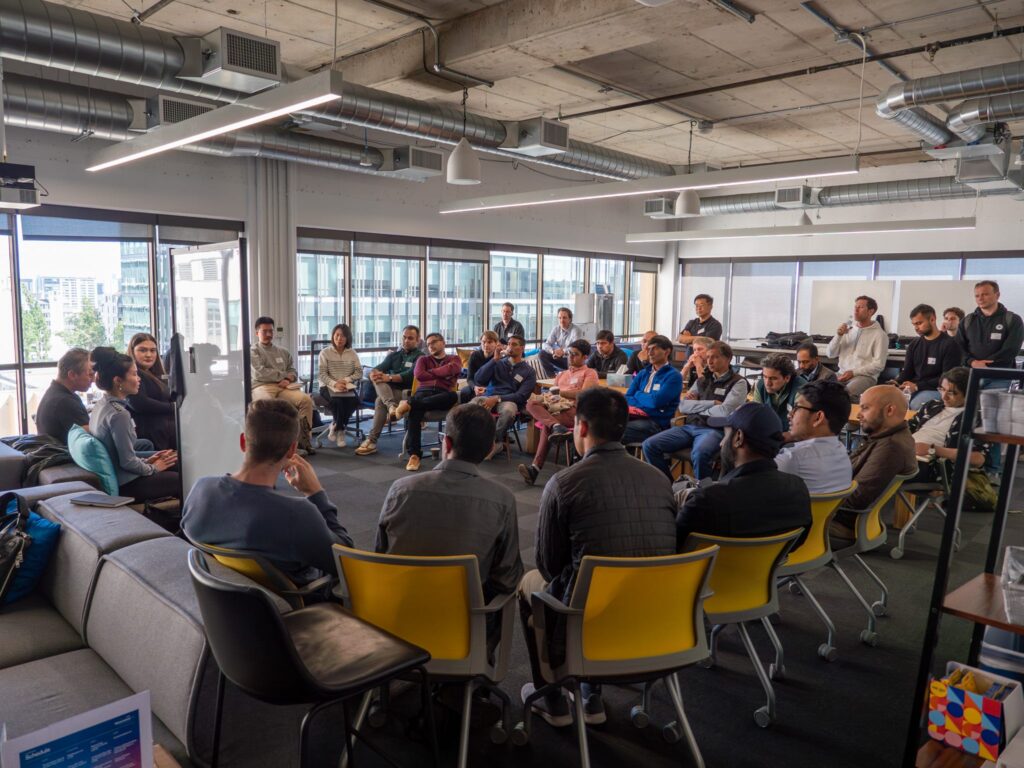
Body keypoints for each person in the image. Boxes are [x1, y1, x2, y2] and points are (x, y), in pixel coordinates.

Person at [519, 387, 677, 727]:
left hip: (590, 616)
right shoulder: (661, 479)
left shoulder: (565, 483)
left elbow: (549, 565)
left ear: (582, 428)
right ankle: (591, 693)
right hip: (659, 617)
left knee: (530, 582)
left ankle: (553, 696)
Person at [377, 403, 523, 647]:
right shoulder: (503, 500)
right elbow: (507, 579)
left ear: (446, 443)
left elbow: (380, 557)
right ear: (489, 449)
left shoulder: (401, 489)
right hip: (465, 632)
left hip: (395, 625)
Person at [182, 399, 352, 586]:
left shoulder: (201, 489)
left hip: (223, 598)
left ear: (243, 442)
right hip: (292, 606)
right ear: (292, 450)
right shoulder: (296, 515)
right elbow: (346, 560)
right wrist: (316, 493)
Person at [675, 402, 812, 550]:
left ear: (738, 438)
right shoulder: (798, 489)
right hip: (765, 571)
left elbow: (675, 549)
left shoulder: (705, 501)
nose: (721, 443)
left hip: (712, 573)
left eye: (727, 434)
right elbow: (796, 544)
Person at [642, 341, 748, 480]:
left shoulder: (739, 382)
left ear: (728, 359)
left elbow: (724, 412)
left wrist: (697, 407)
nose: (709, 361)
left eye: (715, 357)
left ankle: (702, 493)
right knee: (649, 445)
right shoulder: (702, 380)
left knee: (699, 454)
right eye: (708, 357)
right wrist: (711, 404)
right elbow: (683, 406)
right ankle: (669, 486)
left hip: (715, 430)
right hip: (690, 426)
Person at [89, 347, 180, 503]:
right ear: (118, 380)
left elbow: (121, 455)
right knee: (182, 477)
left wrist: (149, 460)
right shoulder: (119, 415)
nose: (139, 379)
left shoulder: (103, 405)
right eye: (134, 374)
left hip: (122, 473)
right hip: (127, 483)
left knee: (175, 460)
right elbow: (127, 461)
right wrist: (154, 468)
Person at [830, 385, 917, 539]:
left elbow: (855, 499)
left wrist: (811, 498)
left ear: (889, 410)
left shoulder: (890, 448)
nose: (858, 415)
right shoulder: (885, 437)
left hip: (838, 522)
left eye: (865, 408)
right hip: (844, 516)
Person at [909, 367, 993, 509]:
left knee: (878, 467)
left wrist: (933, 450)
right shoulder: (932, 406)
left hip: (931, 465)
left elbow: (978, 459)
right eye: (942, 389)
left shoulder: (977, 419)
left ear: (968, 394)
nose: (944, 396)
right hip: (908, 453)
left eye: (952, 393)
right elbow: (907, 428)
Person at [518, 339, 598, 485]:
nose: (570, 357)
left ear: (585, 357)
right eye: (569, 354)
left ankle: (535, 468)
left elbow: (585, 394)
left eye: (575, 354)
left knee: (549, 422)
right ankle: (556, 427)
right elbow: (553, 394)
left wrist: (561, 393)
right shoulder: (561, 374)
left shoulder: (590, 373)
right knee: (531, 403)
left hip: (575, 411)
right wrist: (551, 397)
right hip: (556, 408)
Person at [396, 333, 462, 472]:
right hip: (423, 392)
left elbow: (454, 369)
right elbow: (419, 375)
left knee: (452, 396)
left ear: (443, 342)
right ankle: (414, 455)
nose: (430, 346)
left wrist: (430, 372)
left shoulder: (454, 358)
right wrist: (443, 372)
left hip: (442, 394)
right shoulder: (423, 359)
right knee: (416, 410)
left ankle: (408, 404)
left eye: (434, 342)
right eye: (428, 344)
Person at [774, 379, 853, 494]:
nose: (790, 415)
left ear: (818, 417)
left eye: (796, 408)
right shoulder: (842, 453)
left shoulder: (793, 459)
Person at [354, 325, 423, 456]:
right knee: (377, 380)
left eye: (410, 338)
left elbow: (410, 375)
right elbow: (378, 368)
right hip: (389, 392)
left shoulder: (421, 357)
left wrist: (389, 377)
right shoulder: (394, 355)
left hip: (406, 394)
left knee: (380, 399)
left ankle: (372, 440)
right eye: (404, 337)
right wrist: (373, 373)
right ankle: (391, 407)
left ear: (417, 340)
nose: (406, 341)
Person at [250, 316, 315, 451]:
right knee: (267, 404)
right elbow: (260, 373)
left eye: (271, 331)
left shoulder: (283, 352)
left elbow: (292, 370)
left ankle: (303, 441)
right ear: (257, 333)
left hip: (284, 386)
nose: (269, 334)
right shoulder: (253, 351)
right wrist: (284, 375)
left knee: (306, 400)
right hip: (262, 386)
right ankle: (272, 447)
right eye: (264, 331)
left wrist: (289, 379)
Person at [473, 334, 536, 458]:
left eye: (514, 344)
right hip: (488, 396)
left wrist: (497, 399)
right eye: (508, 344)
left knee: (508, 411)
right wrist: (494, 359)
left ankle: (495, 442)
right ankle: (468, 442)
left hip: (509, 400)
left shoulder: (528, 371)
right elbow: (478, 379)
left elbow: (521, 396)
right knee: (469, 408)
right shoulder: (498, 363)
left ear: (522, 348)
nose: (510, 347)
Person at [895, 304, 963, 410]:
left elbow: (946, 378)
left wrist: (917, 386)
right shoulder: (914, 344)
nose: (916, 328)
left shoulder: (950, 345)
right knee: (885, 398)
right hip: (914, 387)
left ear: (932, 319)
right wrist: (896, 382)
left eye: (919, 323)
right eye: (914, 324)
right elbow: (907, 372)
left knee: (916, 405)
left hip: (936, 389)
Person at [620, 335, 683, 445]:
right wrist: (645, 402)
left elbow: (656, 401)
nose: (650, 353)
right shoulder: (643, 373)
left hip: (656, 423)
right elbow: (627, 397)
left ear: (667, 352)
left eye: (654, 349)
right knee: (605, 424)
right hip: (635, 417)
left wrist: (638, 394)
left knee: (613, 432)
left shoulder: (674, 376)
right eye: (649, 349)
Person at [956, 280, 1023, 382]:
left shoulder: (1012, 319)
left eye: (985, 294)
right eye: (977, 296)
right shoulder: (967, 321)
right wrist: (972, 362)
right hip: (970, 375)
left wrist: (985, 365)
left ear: (997, 295)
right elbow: (958, 347)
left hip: (1000, 377)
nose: (980, 299)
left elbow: (1011, 349)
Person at [826, 295, 889, 399]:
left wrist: (854, 372)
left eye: (860, 307)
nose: (856, 310)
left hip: (864, 377)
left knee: (846, 395)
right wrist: (838, 335)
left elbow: (879, 365)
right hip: (841, 374)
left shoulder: (880, 335)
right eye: (855, 307)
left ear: (871, 311)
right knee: (820, 391)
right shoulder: (848, 330)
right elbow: (830, 354)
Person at [126, 332, 176, 450]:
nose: (149, 355)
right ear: (132, 351)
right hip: (150, 434)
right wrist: (173, 407)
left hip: (164, 433)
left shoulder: (154, 374)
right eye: (142, 350)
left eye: (153, 350)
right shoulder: (133, 374)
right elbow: (139, 403)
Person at [317, 323, 363, 448]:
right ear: (332, 336)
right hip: (327, 386)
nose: (339, 339)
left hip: (346, 385)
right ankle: (341, 430)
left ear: (348, 338)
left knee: (354, 401)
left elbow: (359, 372)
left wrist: (346, 380)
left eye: (343, 336)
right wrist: (335, 383)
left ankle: (336, 425)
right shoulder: (325, 352)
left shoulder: (352, 353)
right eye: (337, 335)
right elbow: (322, 374)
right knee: (338, 402)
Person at [36, 347, 92, 443]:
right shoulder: (65, 402)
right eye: (90, 374)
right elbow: (92, 436)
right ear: (72, 375)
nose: (94, 380)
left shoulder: (54, 392)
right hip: (65, 456)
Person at [752, 352, 802, 435]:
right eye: (765, 377)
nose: (767, 383)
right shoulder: (760, 385)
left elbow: (800, 429)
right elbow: (756, 416)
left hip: (793, 439)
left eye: (773, 378)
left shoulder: (801, 389)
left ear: (787, 378)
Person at [537, 307, 582, 375]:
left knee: (573, 355)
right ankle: (552, 377)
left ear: (570, 319)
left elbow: (575, 348)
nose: (561, 320)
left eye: (564, 318)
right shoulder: (556, 329)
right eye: (560, 318)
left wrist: (563, 351)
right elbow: (546, 344)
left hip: (571, 358)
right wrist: (553, 351)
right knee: (542, 354)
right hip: (559, 357)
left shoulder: (576, 330)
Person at [460, 330, 500, 404]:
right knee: (464, 392)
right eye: (483, 342)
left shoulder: (499, 357)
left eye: (489, 342)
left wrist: (487, 389)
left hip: (491, 387)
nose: (486, 345)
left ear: (496, 343)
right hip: (476, 385)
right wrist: (474, 387)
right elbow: (470, 378)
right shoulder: (474, 355)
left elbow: (499, 380)